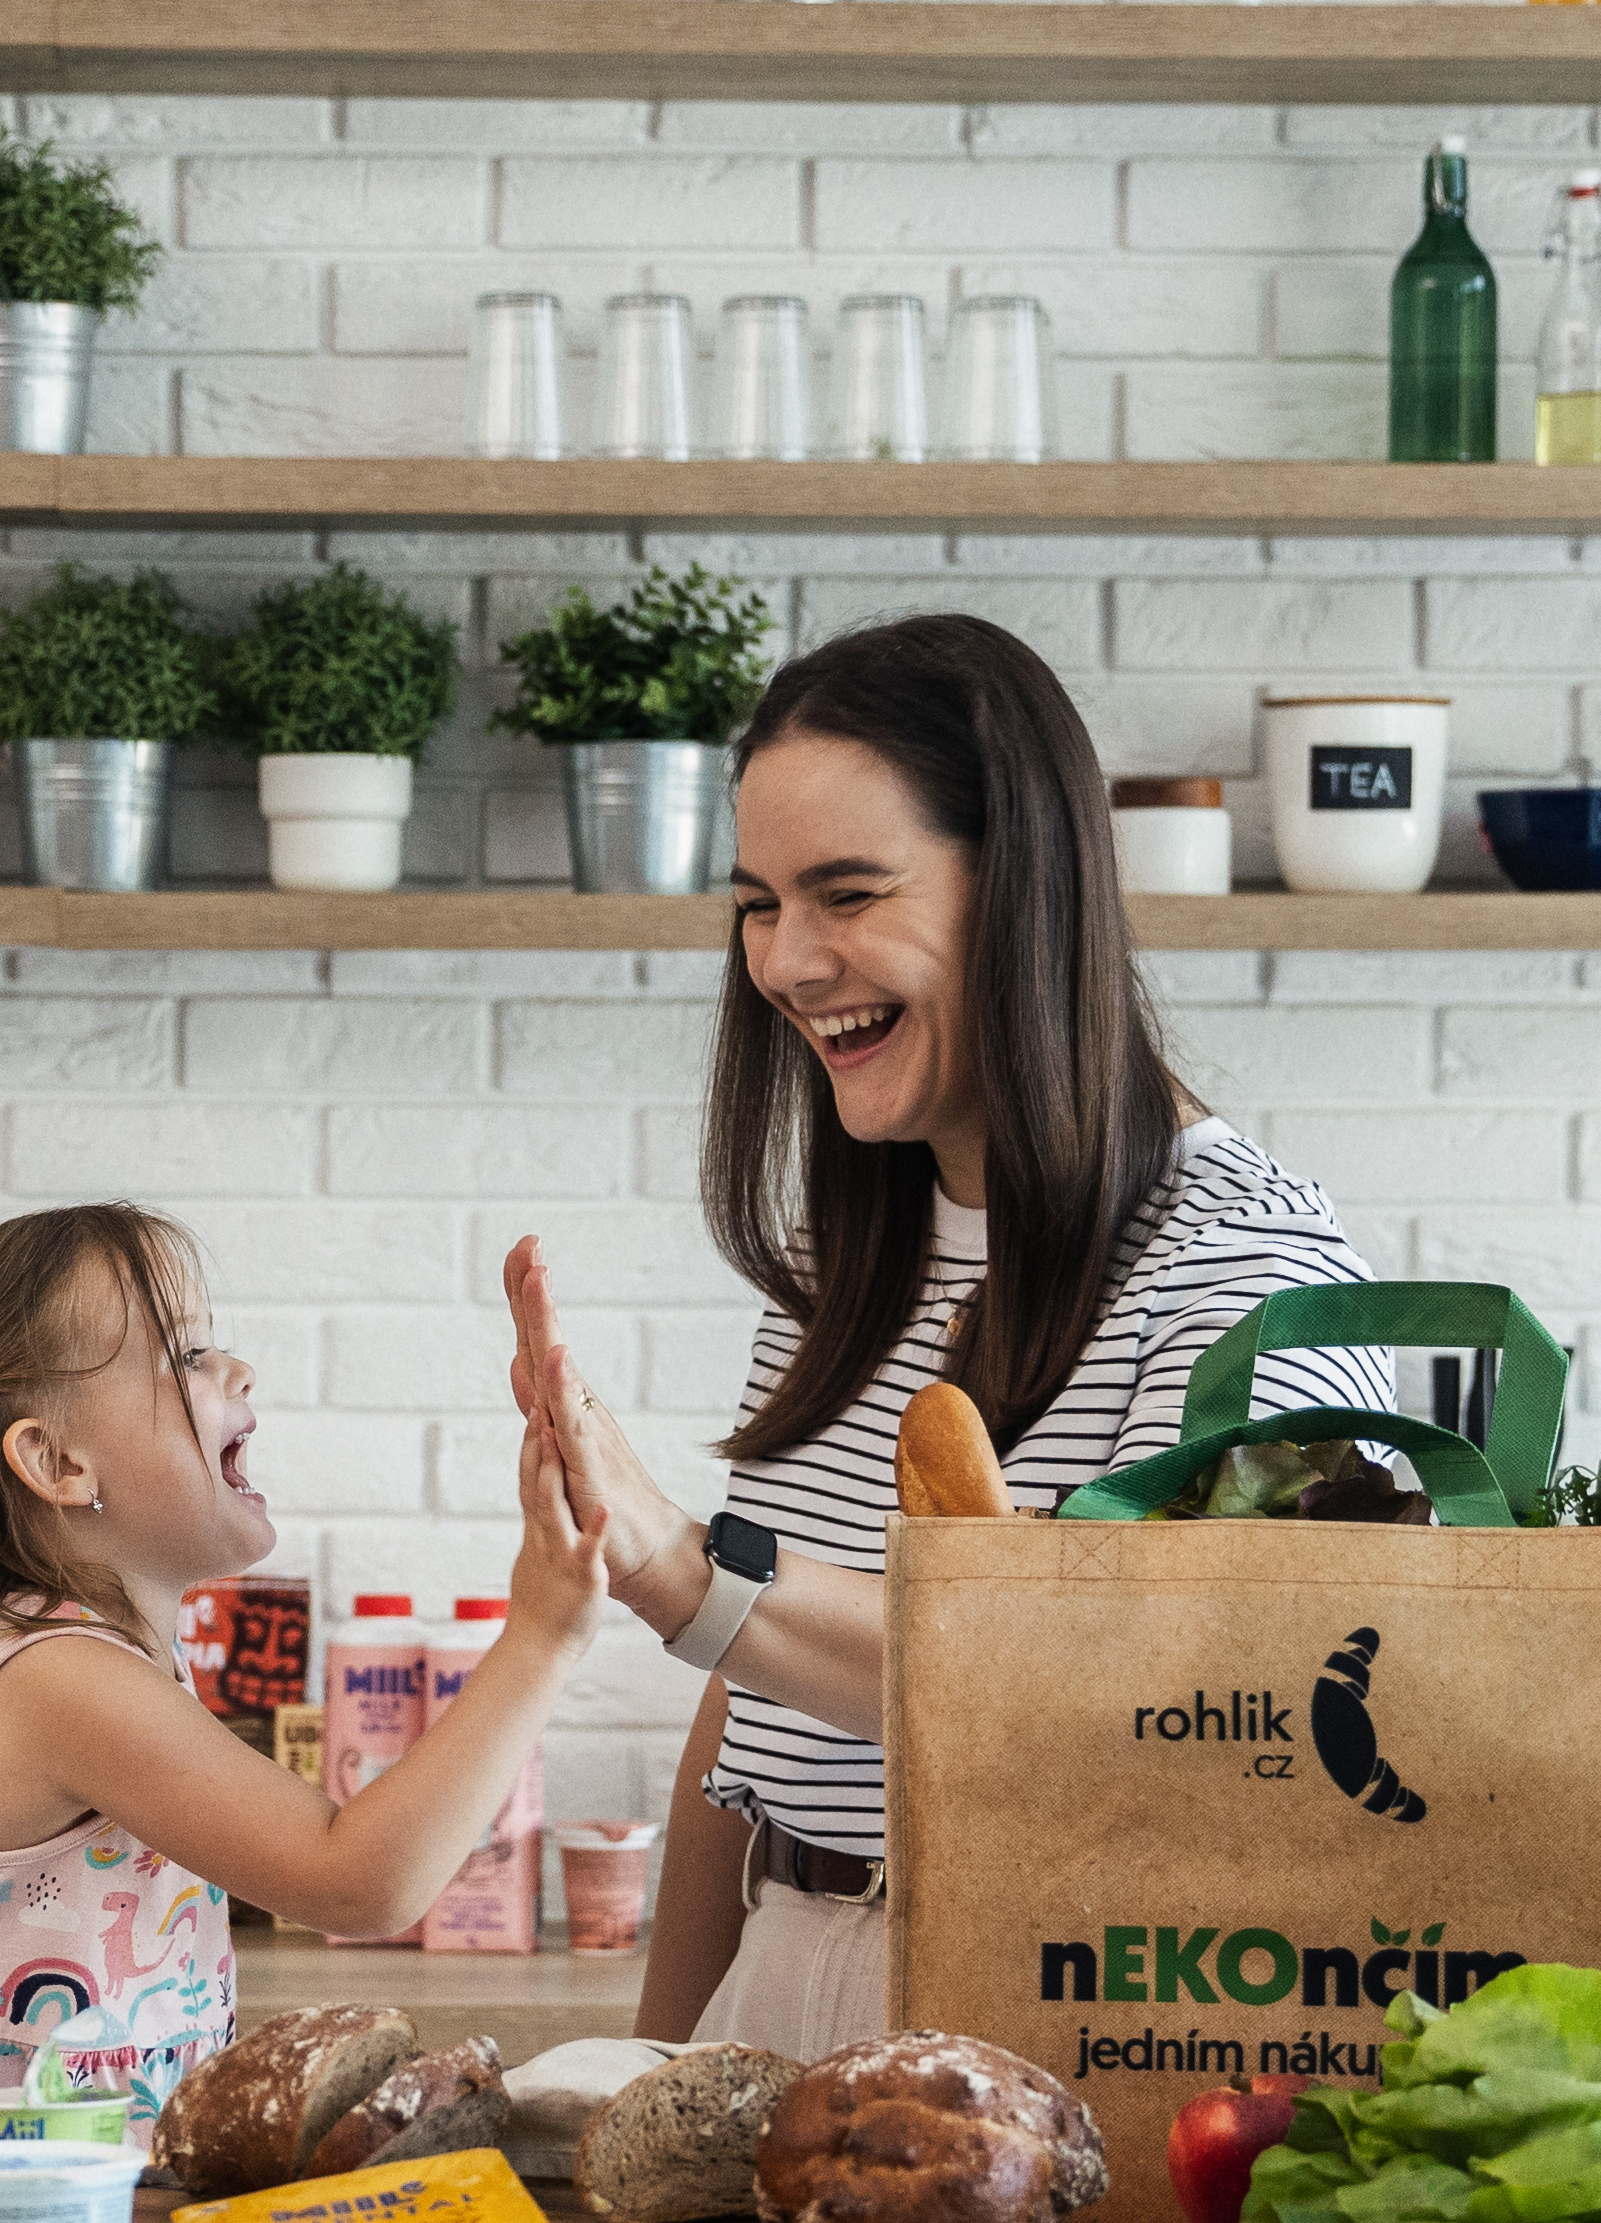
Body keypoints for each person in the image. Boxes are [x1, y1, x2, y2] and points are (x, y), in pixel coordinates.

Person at [503, 612, 1379, 2060]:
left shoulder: (1252, 1279)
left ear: (1023, 889)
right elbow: (753, 1733)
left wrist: (685, 1573)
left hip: (1067, 2025)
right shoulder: (847, 1261)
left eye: (847, 893)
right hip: (776, 1986)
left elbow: (1200, 1706)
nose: (785, 962)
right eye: (759, 902)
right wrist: (655, 2071)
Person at [0, 1200, 609, 2119]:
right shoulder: (63, 1681)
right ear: (59, 1462)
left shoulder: (50, 1658)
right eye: (185, 1355)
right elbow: (362, 1881)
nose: (237, 1368)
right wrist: (542, 1637)